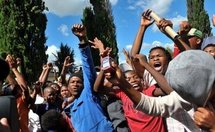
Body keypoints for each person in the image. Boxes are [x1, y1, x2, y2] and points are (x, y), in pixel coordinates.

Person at [110, 50, 215, 131]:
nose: (193, 89)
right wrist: (123, 83)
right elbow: (152, 105)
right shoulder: (184, 97)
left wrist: (213, 126)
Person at [68, 24, 113, 131]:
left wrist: (82, 40)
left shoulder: (87, 94)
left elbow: (87, 65)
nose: (75, 84)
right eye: (72, 82)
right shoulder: (70, 109)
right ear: (67, 86)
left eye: (78, 82)